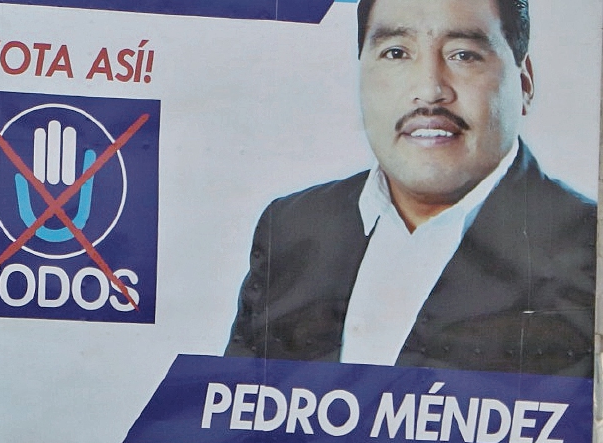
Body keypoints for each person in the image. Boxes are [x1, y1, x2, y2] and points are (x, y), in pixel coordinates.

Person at [225, 0, 596, 377]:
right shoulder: (293, 226)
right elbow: (231, 422)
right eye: (396, 53)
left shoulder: (587, 246)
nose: (430, 90)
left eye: (463, 55)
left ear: (525, 82)